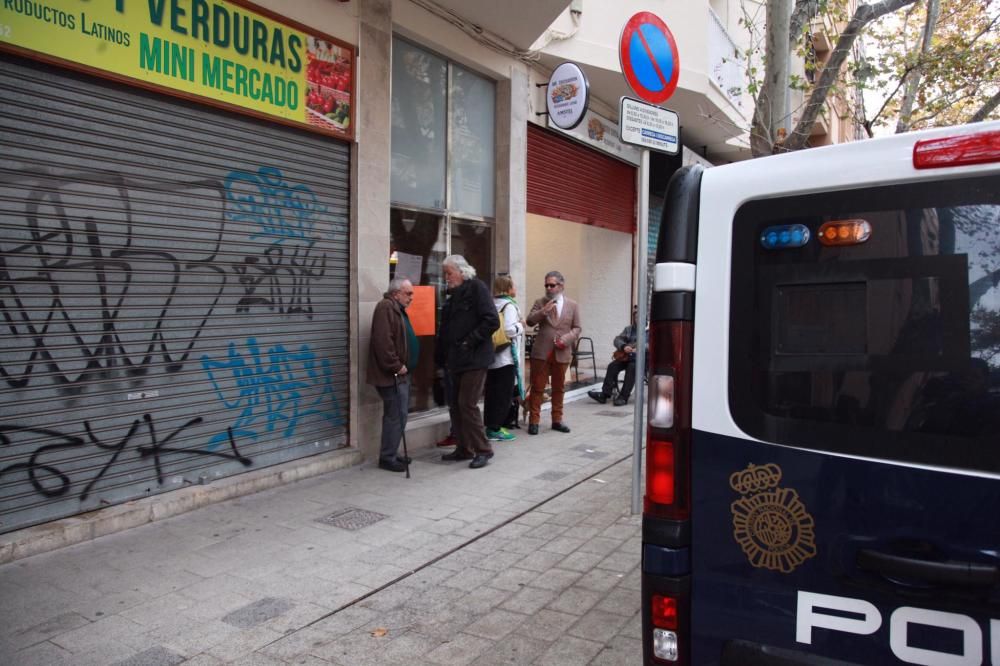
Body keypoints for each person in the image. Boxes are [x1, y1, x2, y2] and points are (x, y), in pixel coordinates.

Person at [435, 255, 499, 468]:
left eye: (449, 273)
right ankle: (464, 448)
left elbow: (492, 320)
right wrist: (440, 358)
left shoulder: (477, 288)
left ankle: (483, 449)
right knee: (455, 405)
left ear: (462, 272)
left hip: (475, 358)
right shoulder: (452, 296)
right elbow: (445, 330)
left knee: (467, 404)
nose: (446, 277)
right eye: (445, 273)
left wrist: (469, 341)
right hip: (455, 361)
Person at [367, 278, 418, 472]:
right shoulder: (386, 308)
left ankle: (392, 452)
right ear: (396, 293)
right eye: (408, 293)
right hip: (391, 374)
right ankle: (387, 457)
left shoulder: (395, 307)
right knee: (395, 415)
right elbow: (383, 341)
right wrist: (396, 366)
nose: (411, 297)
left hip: (399, 374)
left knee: (399, 414)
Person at [525, 270, 581, 435]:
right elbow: (529, 321)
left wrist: (566, 339)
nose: (548, 288)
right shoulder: (540, 302)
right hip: (541, 353)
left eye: (552, 285)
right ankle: (534, 421)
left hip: (561, 353)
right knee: (538, 388)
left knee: (558, 388)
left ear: (561, 286)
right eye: (546, 285)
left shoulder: (573, 305)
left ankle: (557, 420)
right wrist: (543, 311)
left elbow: (577, 328)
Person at [484, 275, 525, 442]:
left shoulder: (493, 303)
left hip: (493, 356)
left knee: (492, 393)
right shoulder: (509, 306)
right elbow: (509, 330)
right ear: (507, 288)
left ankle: (491, 425)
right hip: (506, 357)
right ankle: (495, 429)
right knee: (502, 394)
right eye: (513, 286)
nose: (515, 289)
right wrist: (521, 326)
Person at [588, 305, 638, 407]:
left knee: (631, 368)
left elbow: (652, 344)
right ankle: (604, 394)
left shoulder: (650, 330)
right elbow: (617, 339)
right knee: (612, 366)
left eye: (640, 317)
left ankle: (623, 397)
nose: (638, 319)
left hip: (640, 360)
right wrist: (624, 346)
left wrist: (640, 348)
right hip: (626, 357)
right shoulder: (629, 329)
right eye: (636, 317)